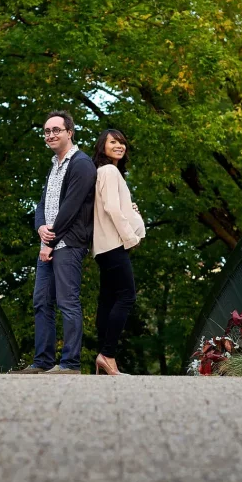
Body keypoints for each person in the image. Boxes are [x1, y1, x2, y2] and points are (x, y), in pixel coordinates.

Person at [13, 110, 97, 375]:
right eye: (47, 131)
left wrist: (51, 241)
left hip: (68, 244)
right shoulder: (54, 165)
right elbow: (43, 203)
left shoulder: (81, 163)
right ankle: (43, 362)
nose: (50, 135)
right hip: (48, 243)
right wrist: (40, 227)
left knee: (67, 302)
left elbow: (71, 207)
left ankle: (70, 364)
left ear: (69, 132)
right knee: (41, 302)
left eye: (56, 130)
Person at [92, 129, 145, 375]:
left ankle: (104, 356)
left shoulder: (103, 173)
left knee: (108, 300)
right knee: (126, 297)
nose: (119, 146)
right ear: (102, 146)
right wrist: (130, 238)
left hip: (102, 247)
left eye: (122, 142)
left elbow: (111, 206)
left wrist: (130, 208)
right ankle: (108, 354)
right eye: (113, 142)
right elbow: (112, 208)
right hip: (114, 244)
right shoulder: (109, 171)